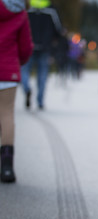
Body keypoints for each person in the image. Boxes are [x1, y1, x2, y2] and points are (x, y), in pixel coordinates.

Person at [0, 0, 33, 182]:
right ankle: (6, 167)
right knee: (6, 115)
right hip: (8, 71)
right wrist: (17, 62)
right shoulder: (20, 12)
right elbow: (26, 47)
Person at [21, 0, 62, 110]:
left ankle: (26, 89)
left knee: (24, 71)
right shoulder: (50, 10)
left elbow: (19, 25)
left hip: (28, 46)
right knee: (42, 75)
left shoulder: (27, 8)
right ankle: (40, 101)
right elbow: (58, 30)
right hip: (45, 47)